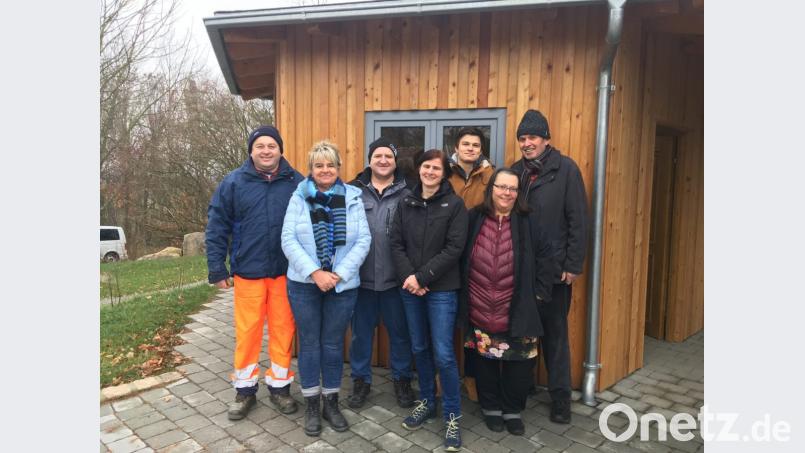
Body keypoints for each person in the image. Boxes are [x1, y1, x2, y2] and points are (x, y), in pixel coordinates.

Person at [205, 125, 304, 421]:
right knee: (247, 333)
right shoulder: (233, 182)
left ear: (280, 150)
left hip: (285, 273)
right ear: (251, 150)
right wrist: (215, 268)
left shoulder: (296, 182)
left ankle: (280, 387)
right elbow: (217, 226)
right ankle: (245, 390)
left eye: (271, 146)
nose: (265, 150)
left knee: (283, 330)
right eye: (260, 145)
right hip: (248, 271)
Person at [281, 140, 371, 437]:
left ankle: (331, 403)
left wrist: (339, 274)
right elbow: (288, 240)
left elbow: (363, 241)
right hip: (304, 284)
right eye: (319, 165)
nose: (324, 170)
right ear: (311, 169)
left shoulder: (354, 198)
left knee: (333, 345)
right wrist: (315, 272)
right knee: (309, 344)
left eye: (330, 164)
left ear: (338, 168)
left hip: (343, 286)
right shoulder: (298, 198)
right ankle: (311, 404)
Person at [458, 168, 556, 435]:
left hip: (517, 306)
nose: (507, 193)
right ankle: (490, 407)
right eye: (502, 187)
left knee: (520, 364)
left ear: (518, 193)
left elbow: (547, 259)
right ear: (492, 189)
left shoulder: (530, 221)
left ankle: (512, 409)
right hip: (478, 303)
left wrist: (538, 295)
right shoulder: (474, 217)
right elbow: (459, 253)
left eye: (512, 189)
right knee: (484, 361)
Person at [511, 109, 588, 424]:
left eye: (532, 137)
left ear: (546, 139)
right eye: (522, 138)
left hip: (555, 272)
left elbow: (578, 220)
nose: (527, 143)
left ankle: (560, 400)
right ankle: (524, 387)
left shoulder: (566, 169)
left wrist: (572, 264)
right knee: (522, 333)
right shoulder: (514, 172)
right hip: (521, 270)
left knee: (555, 338)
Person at [390, 149, 468, 452]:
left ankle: (451, 415)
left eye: (437, 168)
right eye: (426, 166)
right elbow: (395, 242)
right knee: (419, 347)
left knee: (444, 353)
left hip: (442, 290)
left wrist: (422, 278)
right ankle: (427, 401)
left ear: (444, 173)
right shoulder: (405, 202)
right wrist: (411, 278)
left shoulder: (455, 205)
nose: (431, 172)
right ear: (418, 169)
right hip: (410, 288)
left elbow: (455, 248)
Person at [347, 137, 416, 409]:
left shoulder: (408, 191)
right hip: (361, 280)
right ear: (370, 159)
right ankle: (360, 381)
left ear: (395, 160)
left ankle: (401, 380)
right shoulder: (353, 191)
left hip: (396, 280)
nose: (383, 160)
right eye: (378, 155)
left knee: (400, 334)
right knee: (360, 335)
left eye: (388, 155)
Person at [446, 126, 495, 403]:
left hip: (478, 257)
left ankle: (473, 379)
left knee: (474, 325)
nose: (470, 148)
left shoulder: (490, 176)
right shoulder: (443, 172)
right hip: (446, 257)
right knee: (445, 324)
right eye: (466, 143)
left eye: (476, 145)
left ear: (481, 149)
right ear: (456, 146)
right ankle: (445, 378)